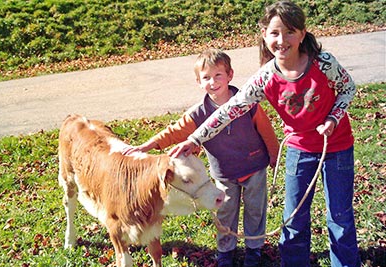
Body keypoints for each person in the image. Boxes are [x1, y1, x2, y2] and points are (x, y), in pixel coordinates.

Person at [169, 1, 361, 267]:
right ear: (264, 35)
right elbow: (230, 110)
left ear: (302, 34)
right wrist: (195, 138)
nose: (282, 40)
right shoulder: (265, 78)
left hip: (336, 147)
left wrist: (333, 118)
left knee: (339, 217)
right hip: (299, 150)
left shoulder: (323, 63)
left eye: (290, 31)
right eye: (274, 33)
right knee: (294, 218)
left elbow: (348, 88)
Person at [125, 48, 279, 267]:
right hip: (224, 174)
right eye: (206, 77)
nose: (213, 82)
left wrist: (274, 154)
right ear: (198, 82)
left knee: (255, 211)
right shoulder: (198, 113)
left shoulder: (247, 103)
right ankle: (226, 251)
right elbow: (174, 131)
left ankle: (254, 249)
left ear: (230, 75)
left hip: (254, 167)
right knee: (225, 212)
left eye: (218, 75)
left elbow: (266, 130)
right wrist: (148, 145)